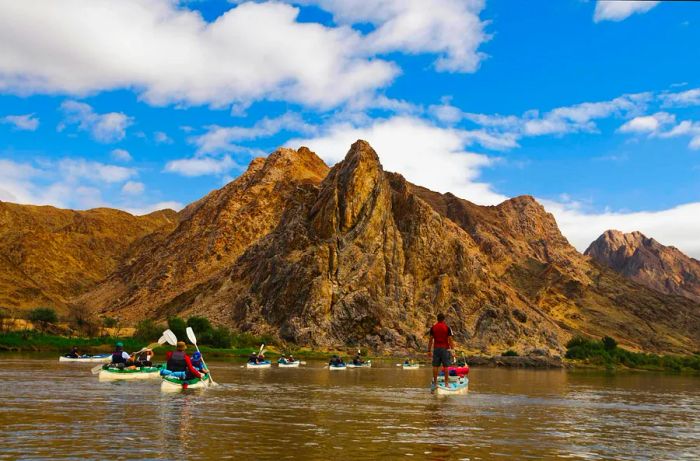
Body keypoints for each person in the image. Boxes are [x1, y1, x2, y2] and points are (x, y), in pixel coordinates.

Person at [427, 313, 453, 389]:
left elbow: (430, 340)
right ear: (444, 319)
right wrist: (453, 350)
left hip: (436, 349)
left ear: (437, 319)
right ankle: (446, 384)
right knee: (446, 366)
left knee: (435, 366)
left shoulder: (433, 328)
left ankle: (435, 383)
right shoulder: (447, 328)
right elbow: (450, 340)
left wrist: (429, 350)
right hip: (445, 349)